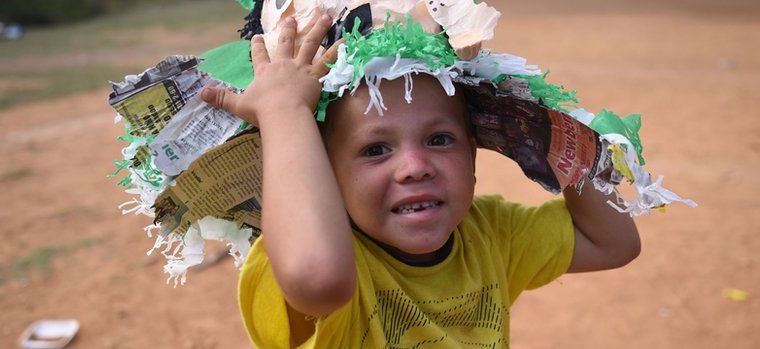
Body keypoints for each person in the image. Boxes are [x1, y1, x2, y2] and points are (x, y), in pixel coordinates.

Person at [200, 10, 642, 347]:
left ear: (474, 151)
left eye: (439, 139)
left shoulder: (491, 235)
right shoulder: (329, 256)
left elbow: (614, 243)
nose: (415, 165)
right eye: (375, 150)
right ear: (324, 172)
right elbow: (318, 278)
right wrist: (285, 111)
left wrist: (550, 136)